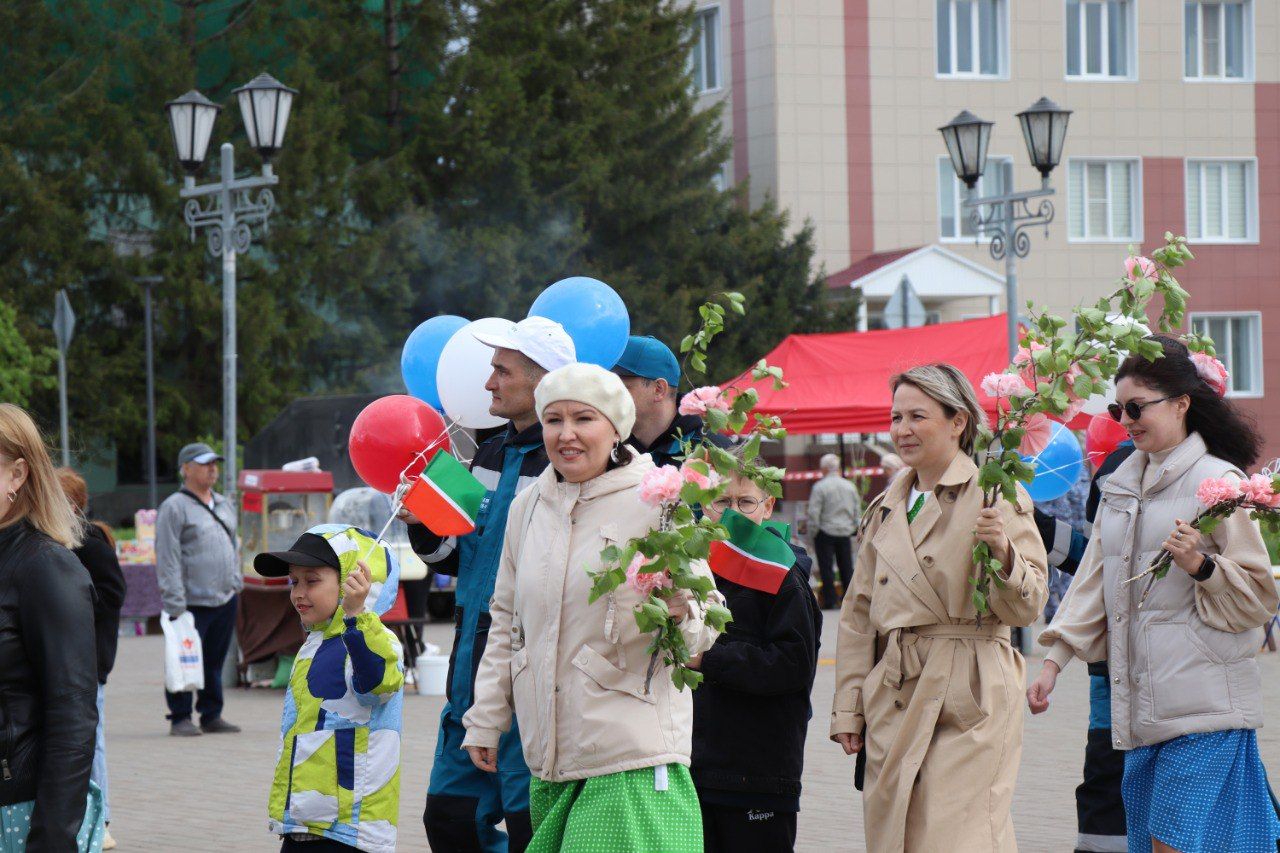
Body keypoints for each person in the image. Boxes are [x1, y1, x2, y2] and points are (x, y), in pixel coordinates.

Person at [1030, 335, 1280, 853]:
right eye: (1119, 408)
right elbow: (1092, 582)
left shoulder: (1219, 483)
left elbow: (1258, 596)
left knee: (1173, 844)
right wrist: (1054, 661)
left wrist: (1202, 566)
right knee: (1152, 844)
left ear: (1182, 403)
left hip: (1205, 709)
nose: (1126, 419)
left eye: (1138, 406)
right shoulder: (1119, 487)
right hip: (1141, 711)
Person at [462, 363, 724, 851]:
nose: (567, 435)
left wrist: (677, 608)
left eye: (583, 419)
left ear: (616, 427)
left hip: (631, 757)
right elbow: (505, 620)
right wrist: (486, 717)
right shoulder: (529, 508)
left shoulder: (658, 502)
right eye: (553, 420)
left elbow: (705, 626)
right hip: (551, 757)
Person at [829, 364, 1048, 852]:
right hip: (895, 693)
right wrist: (849, 709)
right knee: (896, 836)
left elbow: (1028, 605)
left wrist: (1004, 554)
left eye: (917, 416)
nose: (902, 430)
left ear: (959, 421)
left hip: (970, 689)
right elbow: (858, 615)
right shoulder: (886, 504)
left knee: (959, 837)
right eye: (895, 417)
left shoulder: (996, 495)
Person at [406, 316, 574, 852]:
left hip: (530, 669)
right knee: (450, 823)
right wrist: (422, 526)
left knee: (531, 831)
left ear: (543, 378)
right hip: (468, 661)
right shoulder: (485, 451)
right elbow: (452, 556)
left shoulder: (568, 460)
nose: (487, 384)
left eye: (501, 371)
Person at [691, 467, 821, 852]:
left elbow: (792, 664)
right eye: (722, 502)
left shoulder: (783, 574)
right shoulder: (691, 566)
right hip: (695, 767)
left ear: (767, 507)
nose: (733, 513)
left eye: (745, 502)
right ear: (703, 507)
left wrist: (708, 659)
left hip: (757, 772)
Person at [255, 525, 405, 852]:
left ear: (354, 581)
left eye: (312, 581)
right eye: (294, 581)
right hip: (306, 818)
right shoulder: (315, 642)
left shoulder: (373, 637)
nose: (298, 593)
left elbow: (378, 685)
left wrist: (356, 615)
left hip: (350, 827)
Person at [0, 404, 103, 849]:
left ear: (16, 475)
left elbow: (74, 718)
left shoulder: (46, 568)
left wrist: (51, 839)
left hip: (18, 812)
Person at [1033, 440, 1135, 853]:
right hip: (1108, 682)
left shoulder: (1204, 479)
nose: (1127, 418)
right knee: (1103, 792)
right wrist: (1028, 518)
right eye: (1118, 409)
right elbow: (1090, 566)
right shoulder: (1117, 464)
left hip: (1176, 692)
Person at [57, 468, 126, 852]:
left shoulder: (90, 541)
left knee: (92, 739)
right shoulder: (55, 540)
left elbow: (113, 593)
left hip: (90, 660)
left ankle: (103, 820)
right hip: (69, 657)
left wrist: (67, 602)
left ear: (72, 504)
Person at [154, 442, 243, 737]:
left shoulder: (223, 503)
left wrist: (236, 579)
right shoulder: (174, 507)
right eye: (204, 464)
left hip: (225, 596)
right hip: (190, 601)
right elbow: (168, 556)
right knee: (183, 660)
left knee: (214, 661)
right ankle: (180, 716)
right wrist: (174, 600)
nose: (212, 469)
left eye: (214, 463)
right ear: (186, 469)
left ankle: (211, 714)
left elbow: (233, 544)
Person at [613, 335, 725, 468]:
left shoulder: (714, 452)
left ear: (659, 389)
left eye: (619, 386)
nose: (609, 394)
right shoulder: (610, 450)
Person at [807, 453, 860, 609]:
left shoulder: (819, 487)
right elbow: (857, 509)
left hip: (825, 531)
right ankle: (849, 600)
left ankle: (830, 600)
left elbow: (814, 513)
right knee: (846, 566)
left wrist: (812, 533)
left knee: (826, 567)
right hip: (845, 531)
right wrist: (854, 527)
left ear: (823, 469)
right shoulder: (850, 486)